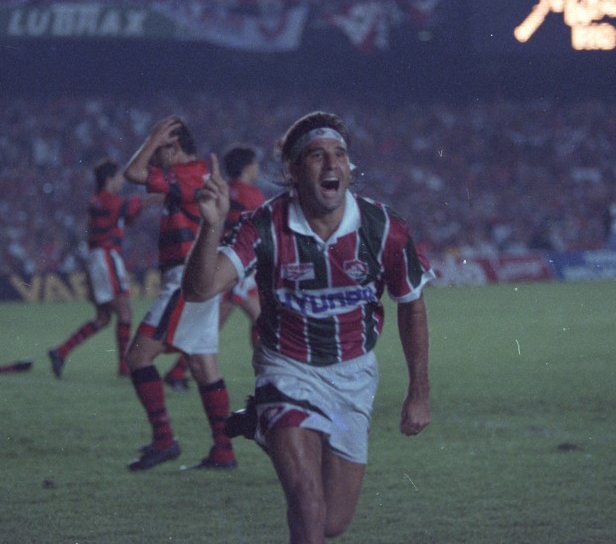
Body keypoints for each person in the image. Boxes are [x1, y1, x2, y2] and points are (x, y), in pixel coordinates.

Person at [182, 111, 433, 543]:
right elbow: (201, 289)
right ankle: (273, 417)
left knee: (331, 522)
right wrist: (211, 225)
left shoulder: (384, 227)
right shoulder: (264, 225)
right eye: (316, 155)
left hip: (353, 375)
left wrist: (419, 392)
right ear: (295, 171)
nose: (331, 163)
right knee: (307, 502)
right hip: (287, 370)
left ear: (350, 168)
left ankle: (263, 426)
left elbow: (411, 306)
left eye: (339, 154)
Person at [121, 115, 235, 471]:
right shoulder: (194, 176)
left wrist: (154, 137)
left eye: (160, 149)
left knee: (137, 358)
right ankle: (223, 451)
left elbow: (133, 173)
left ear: (174, 146)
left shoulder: (188, 173)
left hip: (185, 281)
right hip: (199, 278)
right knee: (203, 366)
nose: (154, 156)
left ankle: (164, 440)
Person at [162, 144, 265, 387]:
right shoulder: (254, 196)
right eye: (255, 165)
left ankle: (264, 374)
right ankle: (177, 373)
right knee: (217, 325)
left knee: (260, 317)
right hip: (238, 269)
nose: (257, 169)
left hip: (222, 261)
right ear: (248, 167)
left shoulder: (222, 190)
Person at [48, 159, 153, 379]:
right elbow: (136, 205)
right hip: (106, 257)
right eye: (118, 178)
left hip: (96, 258)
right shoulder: (109, 200)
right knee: (125, 313)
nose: (121, 182)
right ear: (109, 179)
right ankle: (125, 368)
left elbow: (127, 216)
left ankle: (61, 351)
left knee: (104, 317)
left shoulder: (98, 201)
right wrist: (167, 194)